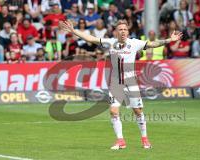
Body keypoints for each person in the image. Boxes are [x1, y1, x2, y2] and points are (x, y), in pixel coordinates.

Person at [60, 19, 182, 150]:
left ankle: (145, 139)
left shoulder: (135, 43)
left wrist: (169, 40)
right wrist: (74, 31)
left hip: (131, 82)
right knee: (113, 111)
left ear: (128, 32)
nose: (123, 32)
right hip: (116, 83)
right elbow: (91, 38)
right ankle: (120, 140)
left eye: (125, 29)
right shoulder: (110, 42)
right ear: (116, 32)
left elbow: (153, 44)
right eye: (120, 29)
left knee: (138, 111)